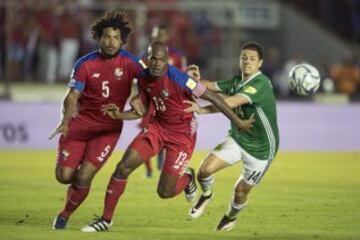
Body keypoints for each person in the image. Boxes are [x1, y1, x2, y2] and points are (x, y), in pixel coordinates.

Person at [80, 41, 254, 232]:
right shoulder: (144, 78)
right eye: (153, 59)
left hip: (181, 136)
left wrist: (239, 122)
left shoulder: (180, 79)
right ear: (147, 59)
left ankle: (188, 178)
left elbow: (213, 98)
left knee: (165, 192)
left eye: (161, 60)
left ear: (167, 61)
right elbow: (142, 111)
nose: (156, 63)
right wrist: (119, 115)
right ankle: (106, 220)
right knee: (123, 167)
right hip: (157, 128)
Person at [49, 10, 146, 230]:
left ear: (122, 41)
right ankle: (72, 188)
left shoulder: (133, 63)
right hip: (79, 126)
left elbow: (150, 83)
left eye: (115, 37)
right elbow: (72, 95)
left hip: (107, 130)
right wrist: (65, 120)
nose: (111, 42)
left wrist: (137, 94)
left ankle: (64, 214)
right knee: (64, 176)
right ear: (99, 38)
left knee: (84, 177)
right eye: (107, 37)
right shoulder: (84, 64)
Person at [185, 41, 279, 231]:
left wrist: (202, 109)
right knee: (204, 171)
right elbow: (210, 86)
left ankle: (230, 217)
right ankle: (206, 194)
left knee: (240, 191)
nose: (247, 61)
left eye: (252, 59)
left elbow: (231, 102)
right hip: (238, 139)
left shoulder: (261, 84)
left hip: (261, 150)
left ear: (260, 63)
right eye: (244, 57)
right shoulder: (237, 81)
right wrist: (191, 80)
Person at [142, 24, 188, 177]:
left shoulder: (177, 56)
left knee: (167, 130)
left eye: (161, 36)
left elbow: (184, 78)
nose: (158, 38)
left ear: (167, 37)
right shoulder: (145, 57)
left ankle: (165, 159)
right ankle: (148, 170)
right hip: (151, 99)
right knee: (145, 132)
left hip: (170, 101)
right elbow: (140, 79)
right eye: (156, 36)